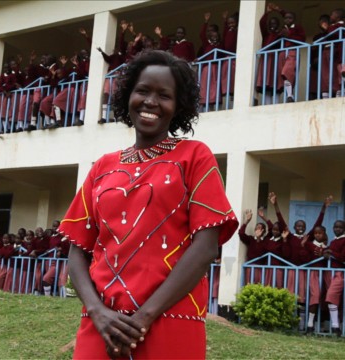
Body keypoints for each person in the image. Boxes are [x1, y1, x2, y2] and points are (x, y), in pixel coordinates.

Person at [59, 50, 238, 358]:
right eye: (142, 91)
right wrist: (97, 312)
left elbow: (206, 246)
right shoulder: (103, 166)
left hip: (170, 320)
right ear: (128, 95)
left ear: (178, 105)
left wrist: (143, 318)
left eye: (164, 95)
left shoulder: (195, 156)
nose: (151, 102)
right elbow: (78, 251)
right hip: (101, 325)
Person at [238, 209, 267, 284]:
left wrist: (258, 239)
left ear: (263, 231)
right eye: (256, 227)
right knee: (249, 284)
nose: (257, 229)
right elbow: (241, 233)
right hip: (250, 266)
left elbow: (260, 251)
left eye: (260, 228)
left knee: (259, 286)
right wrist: (247, 221)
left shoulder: (265, 241)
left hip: (261, 267)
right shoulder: (251, 239)